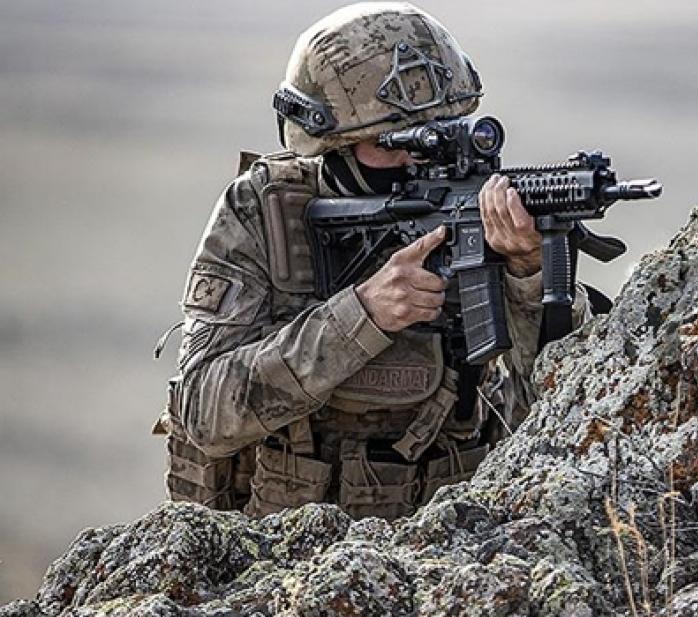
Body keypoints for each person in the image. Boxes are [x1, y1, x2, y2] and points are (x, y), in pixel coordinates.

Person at [154, 2, 590, 519]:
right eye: (393, 142)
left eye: (441, 132)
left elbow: (561, 406)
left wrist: (526, 275)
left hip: (444, 529)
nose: (418, 159)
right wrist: (364, 314)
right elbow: (205, 411)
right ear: (329, 144)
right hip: (278, 538)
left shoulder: (475, 206)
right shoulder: (265, 212)